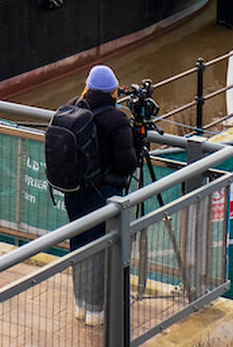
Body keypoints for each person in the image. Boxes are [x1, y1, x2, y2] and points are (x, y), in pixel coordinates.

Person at [60, 65, 138, 323]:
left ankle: (80, 305)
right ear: (113, 91)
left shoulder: (72, 107)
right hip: (102, 193)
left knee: (80, 243)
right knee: (100, 248)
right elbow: (126, 163)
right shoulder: (116, 119)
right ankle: (96, 311)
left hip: (73, 191)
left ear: (88, 86)